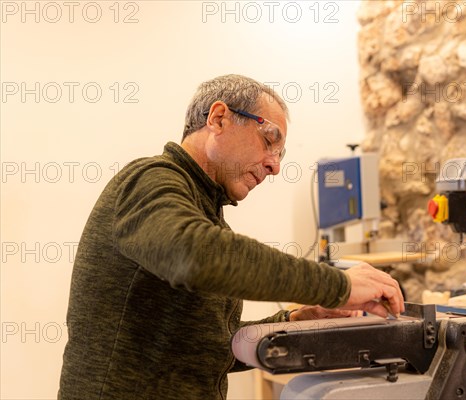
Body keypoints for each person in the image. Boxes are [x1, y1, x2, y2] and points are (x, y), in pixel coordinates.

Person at [58, 74, 404, 400]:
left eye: (280, 155)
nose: (275, 166)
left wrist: (294, 321)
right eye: (270, 140)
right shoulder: (149, 180)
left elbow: (208, 347)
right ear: (219, 119)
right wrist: (338, 286)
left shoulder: (205, 211)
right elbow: (192, 255)